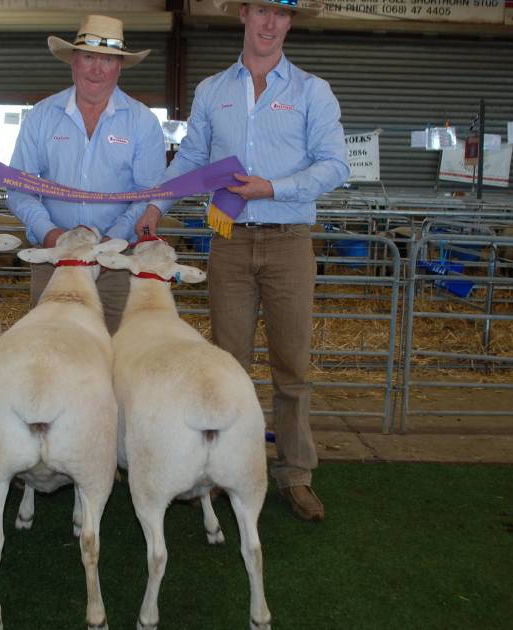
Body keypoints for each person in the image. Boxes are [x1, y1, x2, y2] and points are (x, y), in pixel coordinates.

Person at [138, 0, 349, 522]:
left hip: (289, 239)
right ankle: (224, 470)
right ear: (244, 16)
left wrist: (272, 187)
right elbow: (192, 158)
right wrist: (155, 204)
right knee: (228, 363)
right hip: (228, 240)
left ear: (289, 22)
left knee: (291, 365)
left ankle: (295, 473)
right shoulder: (213, 91)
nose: (270, 23)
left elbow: (336, 164)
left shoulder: (311, 91)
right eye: (261, 10)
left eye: (281, 13)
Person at [8, 14, 165, 334]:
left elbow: (148, 194)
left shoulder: (143, 122)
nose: (97, 69)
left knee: (114, 353)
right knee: (49, 350)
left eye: (107, 60)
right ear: (73, 61)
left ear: (119, 66)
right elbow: (19, 187)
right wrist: (53, 236)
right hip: (53, 261)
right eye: (89, 57)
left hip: (116, 266)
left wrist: (112, 242)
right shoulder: (41, 117)